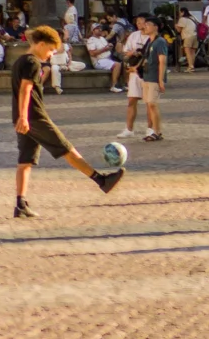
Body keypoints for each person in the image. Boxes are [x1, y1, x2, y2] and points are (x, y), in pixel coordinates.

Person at [11, 26, 127, 219]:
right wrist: (24, 117)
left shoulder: (21, 61)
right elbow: (25, 89)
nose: (52, 53)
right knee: (66, 148)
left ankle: (20, 203)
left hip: (23, 116)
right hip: (34, 116)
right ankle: (101, 181)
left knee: (25, 160)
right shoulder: (32, 63)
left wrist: (20, 117)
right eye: (50, 49)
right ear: (40, 44)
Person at [126, 12, 167, 141]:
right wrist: (135, 68)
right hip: (147, 76)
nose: (145, 27)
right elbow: (145, 59)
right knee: (149, 104)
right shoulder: (150, 41)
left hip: (154, 77)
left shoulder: (160, 42)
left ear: (156, 27)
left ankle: (157, 131)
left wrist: (161, 79)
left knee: (152, 104)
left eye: (148, 24)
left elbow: (162, 61)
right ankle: (154, 130)